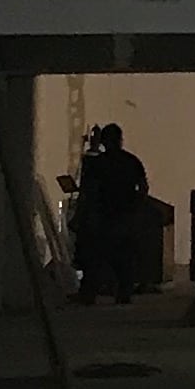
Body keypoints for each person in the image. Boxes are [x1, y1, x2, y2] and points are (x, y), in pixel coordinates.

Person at [70, 122, 156, 303]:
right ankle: (123, 294)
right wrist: (136, 207)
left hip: (102, 216)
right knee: (123, 258)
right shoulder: (131, 161)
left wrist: (82, 216)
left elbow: (89, 192)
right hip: (124, 215)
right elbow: (143, 187)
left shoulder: (97, 164)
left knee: (95, 257)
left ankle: (89, 294)